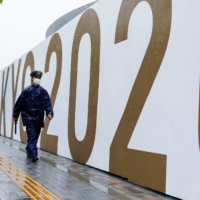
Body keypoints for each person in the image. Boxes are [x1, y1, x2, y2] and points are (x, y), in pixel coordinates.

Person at [13, 70, 54, 162]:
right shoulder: (27, 91)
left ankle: (29, 148)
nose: (37, 79)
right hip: (28, 117)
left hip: (39, 118)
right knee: (32, 135)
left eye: (39, 78)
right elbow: (19, 104)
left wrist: (49, 113)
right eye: (36, 77)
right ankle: (33, 155)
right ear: (32, 78)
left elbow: (48, 103)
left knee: (36, 135)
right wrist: (15, 115)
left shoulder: (43, 91)